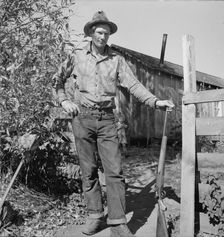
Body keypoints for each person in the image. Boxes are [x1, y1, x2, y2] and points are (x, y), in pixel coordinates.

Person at [53, 10, 174, 237]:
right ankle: (95, 217)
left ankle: (118, 222)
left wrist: (156, 101)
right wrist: (64, 101)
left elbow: (135, 86)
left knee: (115, 171)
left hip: (108, 120)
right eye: (99, 32)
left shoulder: (117, 60)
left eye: (106, 33)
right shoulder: (76, 56)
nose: (102, 37)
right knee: (88, 171)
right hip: (82, 119)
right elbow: (57, 80)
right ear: (91, 32)